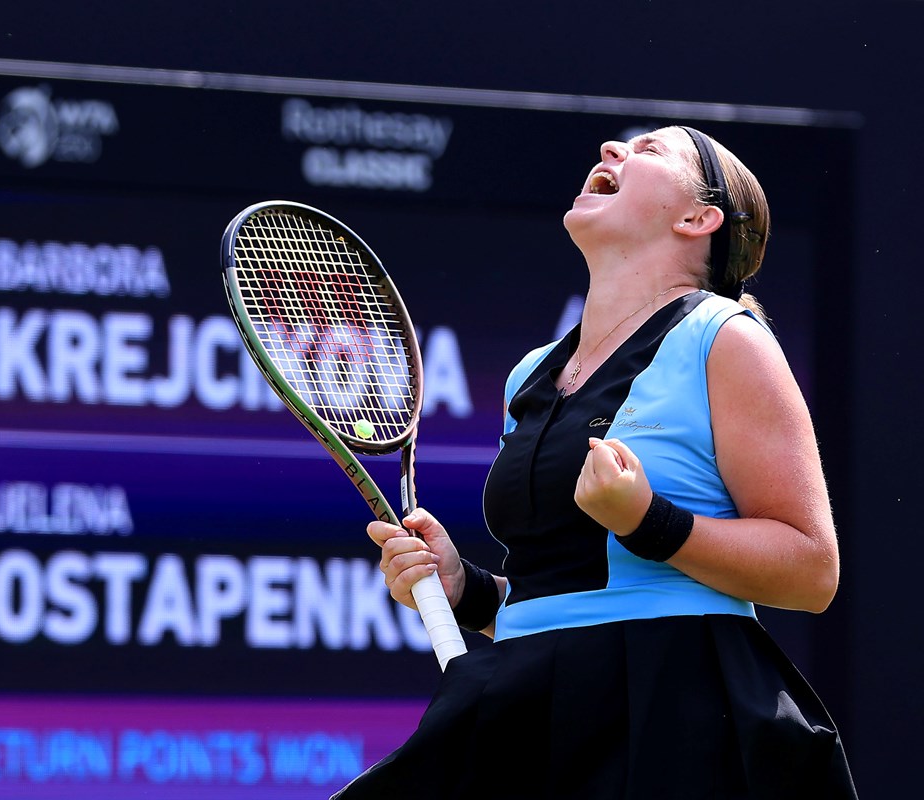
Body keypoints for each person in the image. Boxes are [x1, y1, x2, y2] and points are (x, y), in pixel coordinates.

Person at [332, 126, 859, 799]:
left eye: (650, 151)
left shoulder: (725, 338)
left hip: (679, 715)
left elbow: (812, 570)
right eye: (620, 146)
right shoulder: (530, 374)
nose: (613, 150)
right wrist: (461, 587)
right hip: (533, 703)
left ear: (700, 219)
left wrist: (649, 522)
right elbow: (568, 597)